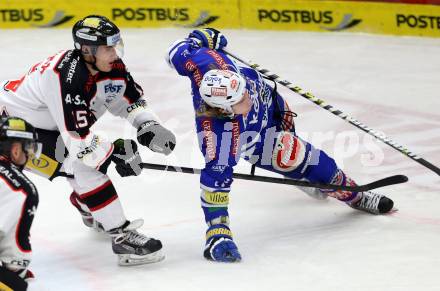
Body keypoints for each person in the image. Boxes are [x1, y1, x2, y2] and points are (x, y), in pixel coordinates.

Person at [165, 28, 395, 262]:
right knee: (306, 159)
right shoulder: (220, 137)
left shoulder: (211, 64)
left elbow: (175, 51)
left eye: (243, 90)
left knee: (301, 154)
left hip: (271, 105)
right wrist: (218, 233)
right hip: (255, 140)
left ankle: (307, 178)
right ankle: (355, 196)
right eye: (240, 99)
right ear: (224, 109)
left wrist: (201, 38)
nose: (247, 97)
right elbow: (215, 186)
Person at [0, 15, 176, 266]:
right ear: (87, 50)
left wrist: (147, 124)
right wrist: (115, 151)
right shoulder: (65, 78)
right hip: (11, 135)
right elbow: (79, 143)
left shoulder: (110, 65)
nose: (115, 53)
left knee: (82, 165)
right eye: (108, 47)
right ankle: (121, 234)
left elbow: (129, 99)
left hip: (44, 128)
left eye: (116, 45)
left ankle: (88, 203)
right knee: (84, 166)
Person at [0, 117, 41, 291]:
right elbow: (15, 254)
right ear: (16, 150)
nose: (29, 155)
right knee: (14, 284)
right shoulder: (22, 188)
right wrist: (17, 271)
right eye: (29, 148)